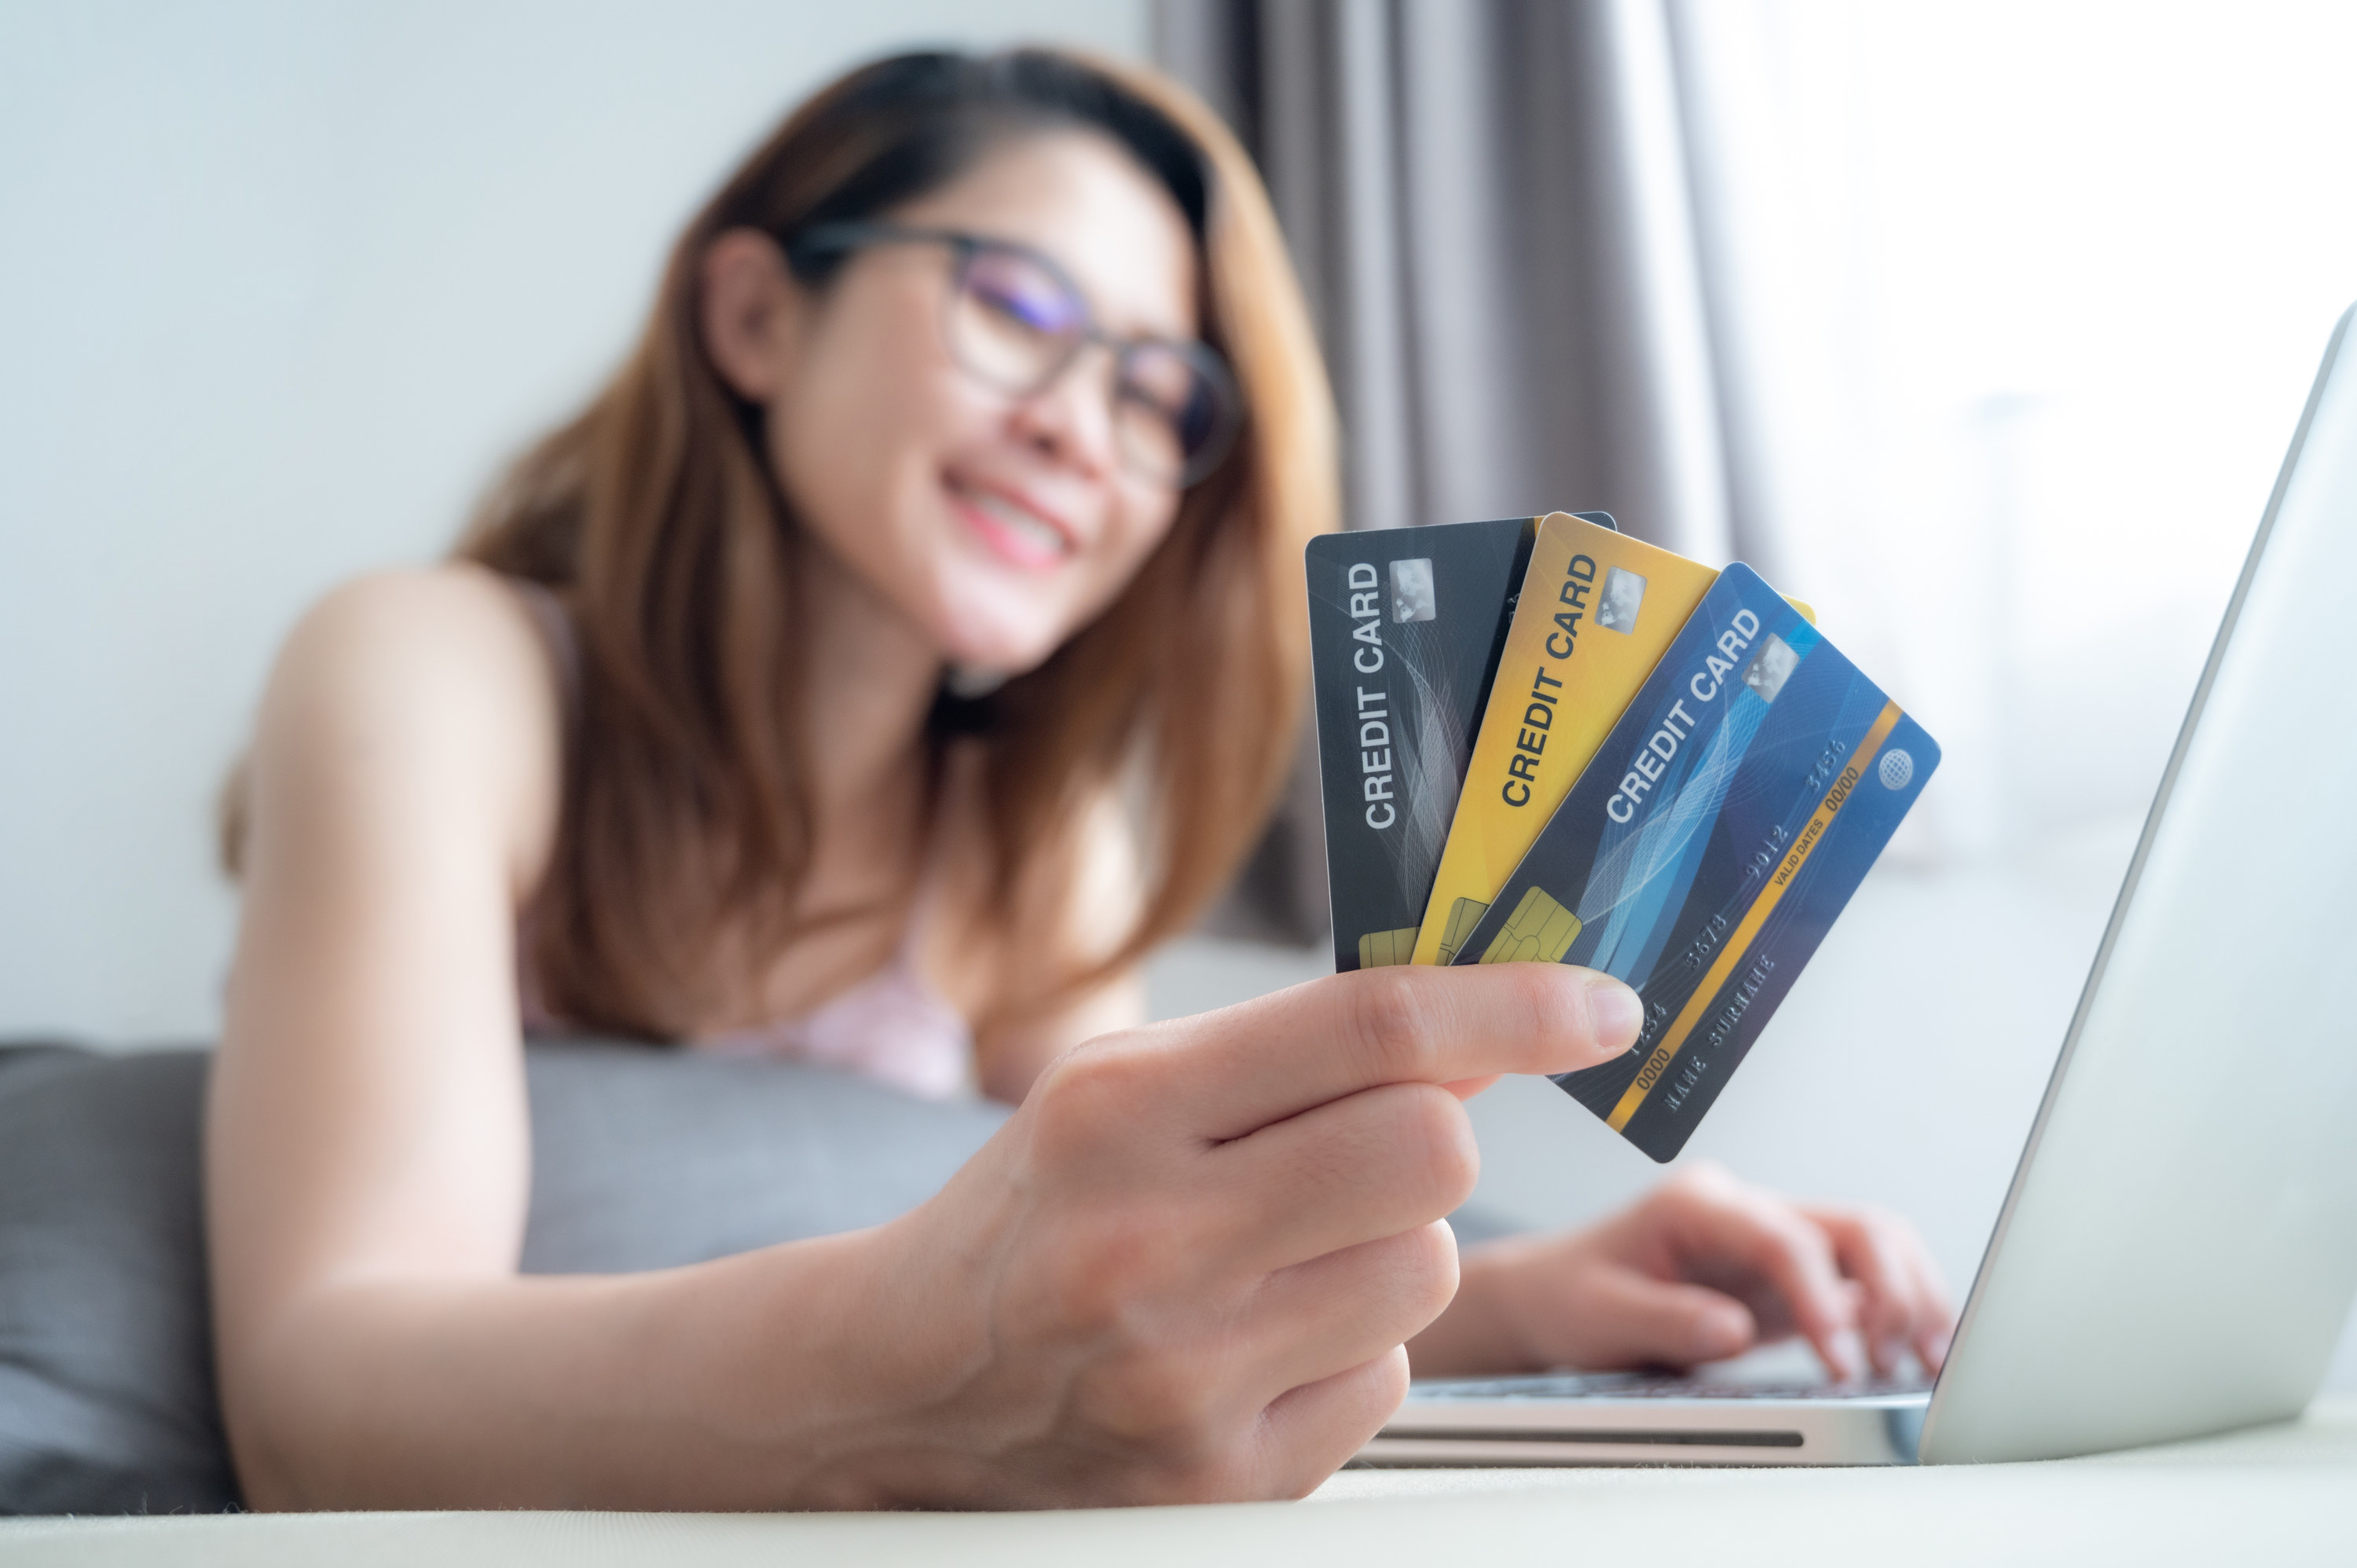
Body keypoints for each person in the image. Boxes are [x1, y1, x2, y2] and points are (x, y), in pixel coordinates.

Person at [207, 48, 1952, 1512]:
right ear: (753, 313)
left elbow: (1143, 1289)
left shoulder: (1040, 849)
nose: (1080, 427)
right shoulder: (432, 671)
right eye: (1018, 305)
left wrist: (1536, 1297)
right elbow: (321, 1385)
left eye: (1161, 396)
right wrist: (918, 1352)